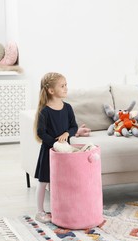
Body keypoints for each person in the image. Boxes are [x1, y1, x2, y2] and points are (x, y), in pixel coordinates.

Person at [33, 72, 78, 223]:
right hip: (49, 152)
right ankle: (40, 211)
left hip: (65, 152)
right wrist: (54, 144)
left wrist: (67, 133)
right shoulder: (44, 111)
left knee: (62, 181)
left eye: (66, 85)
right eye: (62, 86)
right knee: (44, 181)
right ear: (51, 91)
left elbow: (74, 127)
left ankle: (59, 208)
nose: (66, 88)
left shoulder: (68, 108)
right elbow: (41, 133)